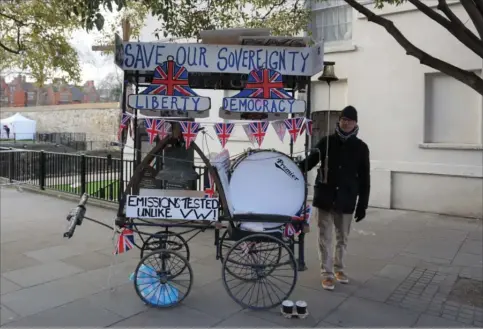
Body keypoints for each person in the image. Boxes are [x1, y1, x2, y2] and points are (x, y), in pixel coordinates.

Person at [298, 105, 370, 291]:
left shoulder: (361, 148)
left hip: (346, 199)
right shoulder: (326, 142)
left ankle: (339, 269)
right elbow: (309, 162)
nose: (346, 123)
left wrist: (363, 204)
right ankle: (327, 273)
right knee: (325, 237)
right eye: (343, 119)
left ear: (355, 123)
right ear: (339, 121)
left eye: (350, 120)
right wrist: (294, 167)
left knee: (342, 238)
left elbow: (365, 178)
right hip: (325, 197)